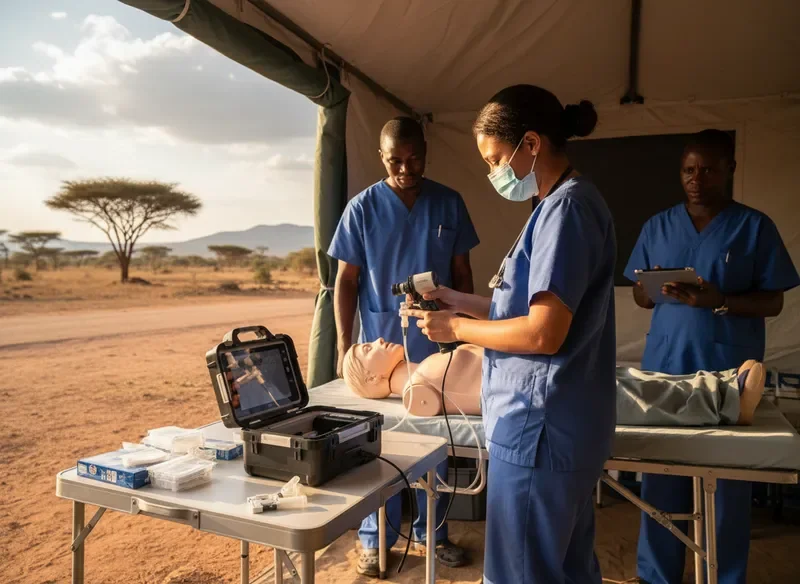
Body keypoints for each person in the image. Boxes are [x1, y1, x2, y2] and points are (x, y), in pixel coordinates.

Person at [403, 84, 616, 584]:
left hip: (539, 428)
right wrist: (461, 302)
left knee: (521, 571)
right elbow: (526, 308)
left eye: (496, 159)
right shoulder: (557, 206)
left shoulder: (566, 210)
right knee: (562, 567)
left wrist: (457, 329)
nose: (493, 173)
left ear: (531, 144)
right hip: (558, 427)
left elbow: (544, 334)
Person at [624, 129, 800, 584]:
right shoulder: (658, 226)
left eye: (707, 170)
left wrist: (719, 300)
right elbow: (640, 296)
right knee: (661, 471)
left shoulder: (754, 227)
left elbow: (774, 301)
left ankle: (724, 575)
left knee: (726, 478)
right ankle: (657, 574)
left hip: (728, 371)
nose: (696, 179)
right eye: (688, 170)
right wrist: (653, 289)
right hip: (666, 365)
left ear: (729, 170)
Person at [327, 116, 480, 576]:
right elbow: (345, 281)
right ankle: (376, 539)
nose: (406, 169)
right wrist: (345, 346)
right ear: (382, 157)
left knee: (437, 441)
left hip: (439, 340)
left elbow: (462, 273)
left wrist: (467, 329)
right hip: (383, 342)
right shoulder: (361, 209)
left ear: (426, 153)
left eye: (415, 159)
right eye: (395, 160)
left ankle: (433, 534)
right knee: (381, 448)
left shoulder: (449, 203)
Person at [342, 339, 767, 426]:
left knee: (629, 376)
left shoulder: (424, 366)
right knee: (632, 396)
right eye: (366, 349)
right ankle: (729, 404)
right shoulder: (417, 392)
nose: (375, 341)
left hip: (539, 374)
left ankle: (724, 382)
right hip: (537, 396)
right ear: (373, 378)